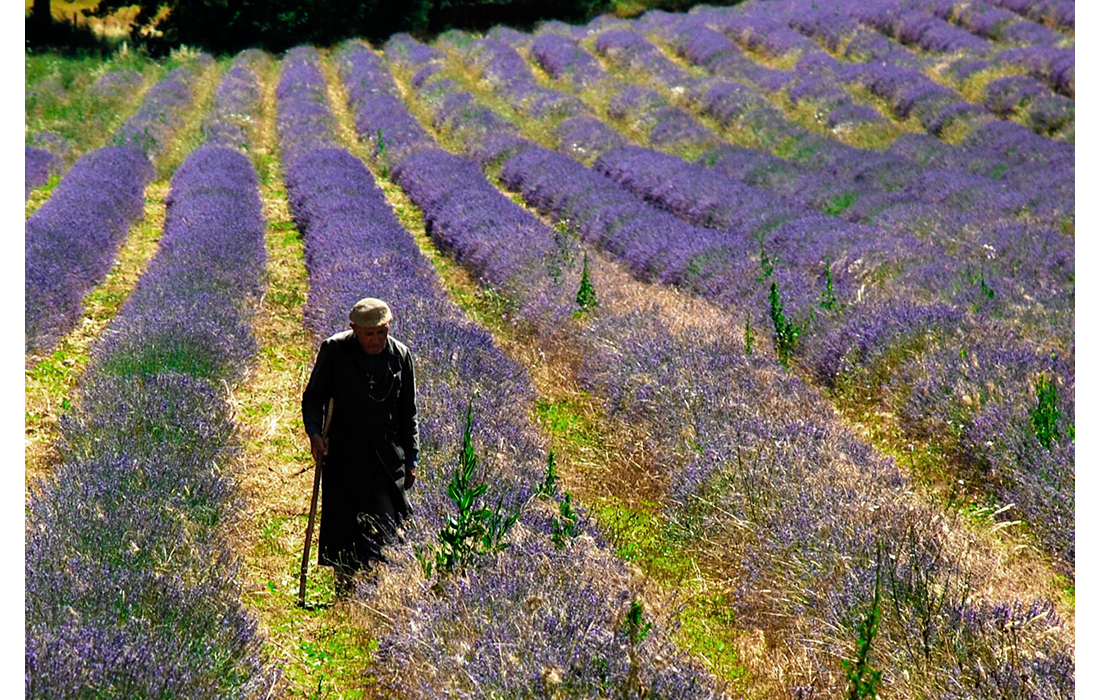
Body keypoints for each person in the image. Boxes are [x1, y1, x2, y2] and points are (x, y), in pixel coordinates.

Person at [301, 297, 419, 597]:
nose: (376, 339)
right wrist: (315, 434)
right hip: (344, 455)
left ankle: (378, 594)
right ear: (354, 329)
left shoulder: (400, 356)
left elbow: (409, 413)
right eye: (369, 334)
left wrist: (412, 459)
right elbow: (313, 398)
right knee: (345, 525)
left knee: (386, 526)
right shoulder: (336, 350)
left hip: (387, 457)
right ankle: (346, 590)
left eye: (382, 332)